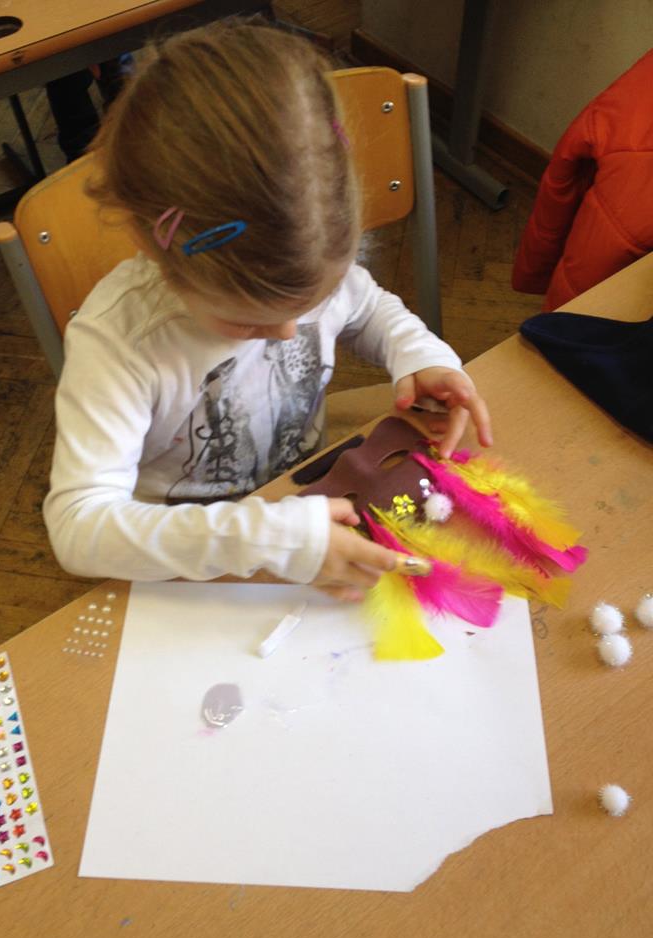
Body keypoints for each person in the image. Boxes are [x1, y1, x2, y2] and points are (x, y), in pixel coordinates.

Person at [43, 19, 492, 602]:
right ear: (158, 254)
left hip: (303, 498)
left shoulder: (306, 251)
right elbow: (79, 528)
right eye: (247, 323)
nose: (286, 333)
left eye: (311, 306)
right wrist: (269, 540)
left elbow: (368, 308)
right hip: (188, 557)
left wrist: (420, 356)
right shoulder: (120, 340)